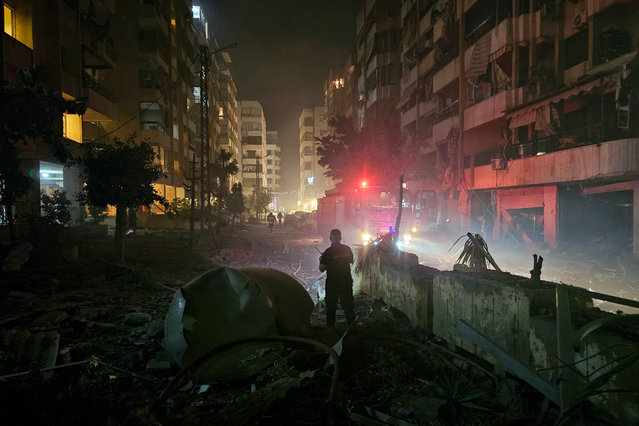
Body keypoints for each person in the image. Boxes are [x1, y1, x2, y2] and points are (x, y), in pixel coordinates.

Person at [319, 229, 356, 328]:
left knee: (331, 307)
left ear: (330, 238)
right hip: (346, 281)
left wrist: (321, 260)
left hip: (332, 283)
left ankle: (330, 329)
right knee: (348, 306)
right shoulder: (347, 249)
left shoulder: (328, 252)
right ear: (340, 238)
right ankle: (352, 328)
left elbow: (321, 269)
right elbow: (352, 261)